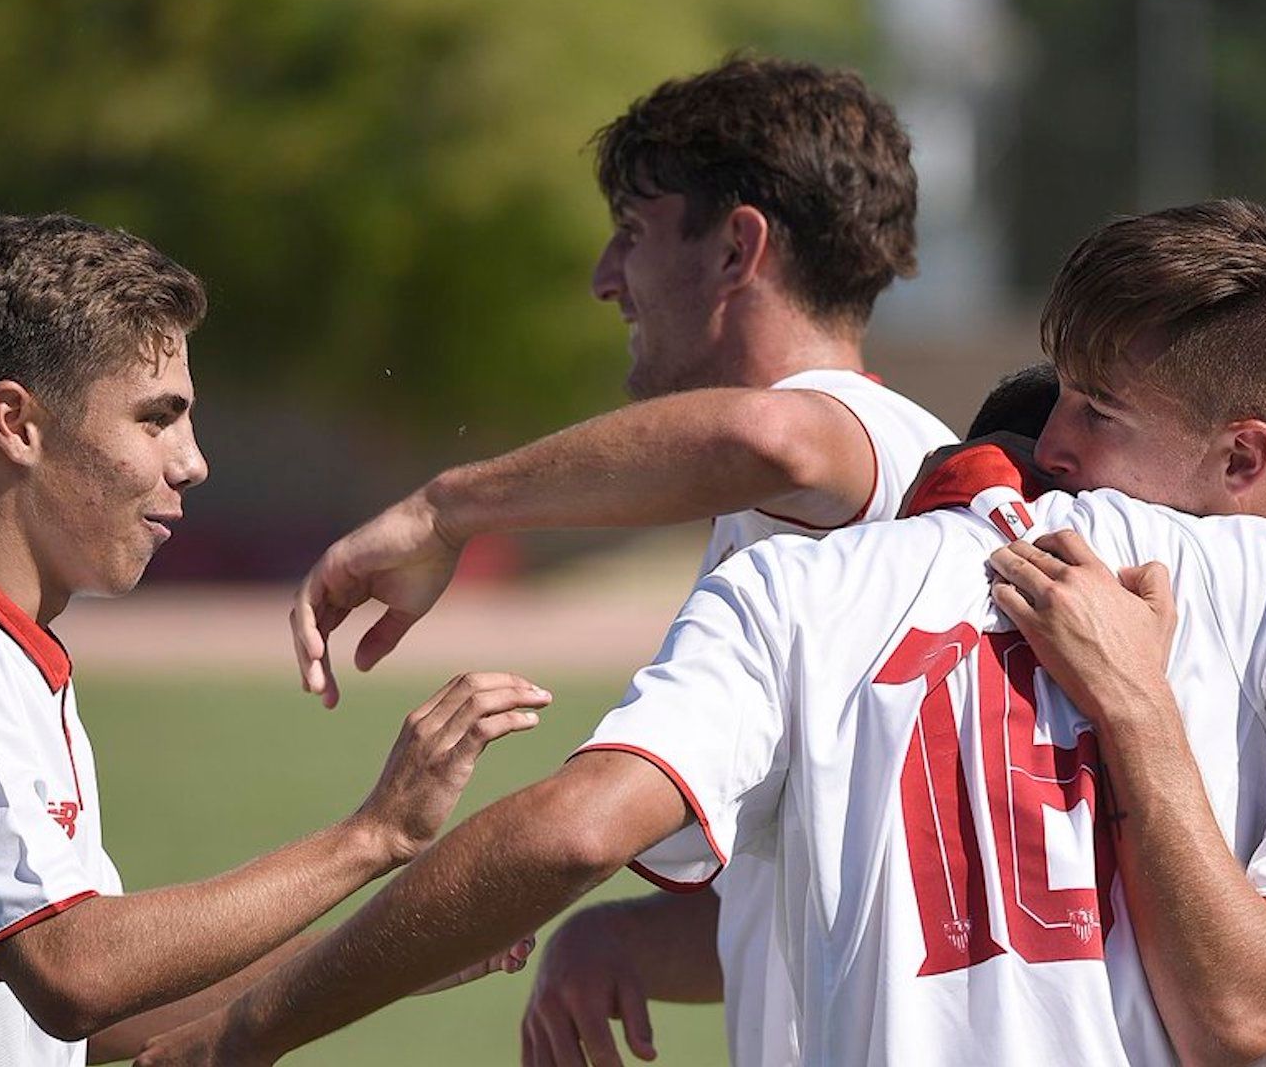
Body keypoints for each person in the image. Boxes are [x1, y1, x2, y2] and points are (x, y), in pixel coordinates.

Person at [135, 199, 1266, 1066]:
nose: (1064, 447)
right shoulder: (1241, 587)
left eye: (1098, 411)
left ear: (1241, 455)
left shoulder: (828, 585)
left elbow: (1244, 1006)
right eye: (1060, 409)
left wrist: (255, 1024)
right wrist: (620, 940)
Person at [288, 56, 955, 1066]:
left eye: (634, 234)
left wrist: (445, 511)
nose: (607, 277)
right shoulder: (819, 513)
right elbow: (830, 896)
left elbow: (770, 437)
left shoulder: (870, 442)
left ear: (736, 249)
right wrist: (613, 940)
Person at [0, 215, 545, 1067]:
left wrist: (385, 952)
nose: (192, 461)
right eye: (156, 418)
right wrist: (375, 834)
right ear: (17, 424)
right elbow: (74, 975)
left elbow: (89, 1018)